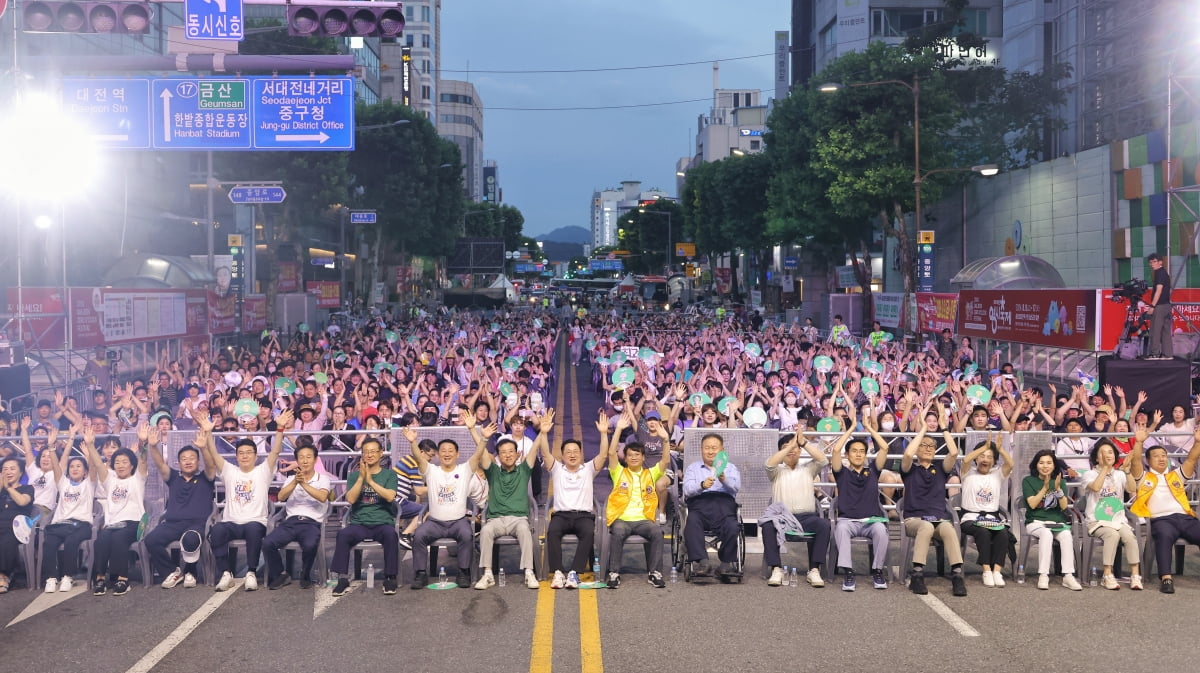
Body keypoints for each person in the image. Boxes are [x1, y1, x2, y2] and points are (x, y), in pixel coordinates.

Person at [200, 409, 290, 592]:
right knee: (217, 530)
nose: (245, 456)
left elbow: (276, 451)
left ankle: (251, 572)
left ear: (256, 456)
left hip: (254, 521)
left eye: (249, 452)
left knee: (254, 530)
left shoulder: (263, 471)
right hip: (231, 522)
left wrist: (279, 428)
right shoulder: (229, 471)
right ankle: (226, 573)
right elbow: (214, 453)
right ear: (236, 456)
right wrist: (209, 432)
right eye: (241, 453)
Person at [406, 413, 492, 590]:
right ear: (437, 454)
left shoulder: (465, 469)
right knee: (419, 535)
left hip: (458, 521)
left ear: (457, 454)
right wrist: (413, 442)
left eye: (450, 451)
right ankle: (420, 573)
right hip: (435, 522)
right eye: (443, 451)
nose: (447, 454)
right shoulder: (431, 470)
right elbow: (418, 457)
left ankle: (463, 572)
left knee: (467, 535)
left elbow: (477, 455)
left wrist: (483, 437)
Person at [474, 410, 552, 591]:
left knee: (525, 530)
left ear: (517, 454)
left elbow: (533, 450)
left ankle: (528, 572)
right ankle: (487, 574)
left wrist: (543, 432)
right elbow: (482, 454)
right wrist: (477, 433)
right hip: (496, 519)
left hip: (518, 519)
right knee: (485, 531)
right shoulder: (492, 472)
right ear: (498, 456)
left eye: (511, 452)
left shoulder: (524, 470)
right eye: (503, 452)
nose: (507, 455)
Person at [143, 421, 217, 590]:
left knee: (190, 538)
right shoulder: (174, 477)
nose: (188, 461)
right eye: (184, 459)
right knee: (151, 539)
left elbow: (211, 465)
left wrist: (204, 448)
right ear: (178, 463)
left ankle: (191, 571)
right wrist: (152, 446)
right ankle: (172, 572)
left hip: (196, 525)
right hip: (172, 524)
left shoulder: (206, 478)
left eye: (192, 458)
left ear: (198, 462)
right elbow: (161, 465)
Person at [1128, 419, 1200, 593]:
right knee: (1164, 537)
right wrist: (1138, 442)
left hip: (1185, 517)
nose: (1161, 459)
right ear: (1148, 460)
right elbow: (1135, 461)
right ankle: (1166, 578)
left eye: (1164, 456)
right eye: (1156, 456)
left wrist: (1197, 442)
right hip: (1162, 519)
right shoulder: (1143, 477)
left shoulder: (1176, 475)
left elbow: (1191, 459)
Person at [900, 414, 967, 596]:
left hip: (937, 519)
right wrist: (922, 430)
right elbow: (907, 454)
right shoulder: (909, 469)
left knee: (948, 528)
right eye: (924, 445)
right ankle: (917, 575)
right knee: (926, 526)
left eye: (931, 446)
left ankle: (957, 575)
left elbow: (953, 453)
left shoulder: (940, 469)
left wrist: (944, 428)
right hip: (914, 519)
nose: (928, 449)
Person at [604, 412, 670, 589]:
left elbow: (665, 461)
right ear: (625, 458)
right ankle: (614, 572)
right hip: (622, 519)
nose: (634, 457)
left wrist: (665, 440)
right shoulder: (618, 472)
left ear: (643, 458)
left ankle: (655, 573)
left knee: (657, 532)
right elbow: (611, 453)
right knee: (617, 533)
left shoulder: (650, 473)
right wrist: (618, 429)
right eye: (630, 455)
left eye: (637, 455)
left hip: (643, 520)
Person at [543, 417, 609, 589]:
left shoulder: (588, 469)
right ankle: (557, 572)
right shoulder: (557, 469)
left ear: (581, 454)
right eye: (568, 452)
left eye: (575, 451)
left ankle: (574, 573)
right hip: (561, 515)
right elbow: (545, 453)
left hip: (583, 516)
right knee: (552, 531)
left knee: (588, 532)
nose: (572, 455)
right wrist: (543, 433)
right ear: (563, 455)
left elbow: (603, 455)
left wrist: (603, 434)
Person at [760, 430, 832, 588]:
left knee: (824, 525)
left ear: (801, 451)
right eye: (786, 447)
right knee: (767, 526)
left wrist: (804, 442)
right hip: (782, 518)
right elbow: (769, 464)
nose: (792, 450)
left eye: (795, 447)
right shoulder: (776, 472)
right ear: (780, 451)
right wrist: (791, 445)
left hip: (807, 517)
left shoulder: (808, 469)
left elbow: (823, 460)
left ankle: (814, 570)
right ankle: (776, 569)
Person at [82, 425, 148, 596]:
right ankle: (100, 578)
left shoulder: (137, 479)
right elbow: (97, 463)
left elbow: (143, 460)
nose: (120, 465)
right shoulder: (110, 480)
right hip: (112, 524)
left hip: (132, 523)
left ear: (132, 466)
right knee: (101, 539)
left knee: (119, 538)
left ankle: (122, 578)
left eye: (125, 462)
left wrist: (144, 442)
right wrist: (90, 445)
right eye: (117, 462)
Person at [329, 437, 398, 596]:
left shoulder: (389, 475)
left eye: (373, 451)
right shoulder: (354, 476)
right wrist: (361, 478)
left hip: (382, 522)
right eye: (366, 452)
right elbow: (351, 499)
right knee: (343, 534)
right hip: (359, 523)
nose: (370, 455)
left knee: (391, 535)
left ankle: (390, 577)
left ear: (381, 453)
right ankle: (342, 578)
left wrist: (371, 482)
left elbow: (389, 497)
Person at [831, 416, 892, 590]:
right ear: (847, 455)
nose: (858, 454)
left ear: (865, 455)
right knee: (841, 529)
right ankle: (848, 573)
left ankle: (877, 571)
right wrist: (850, 430)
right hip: (848, 521)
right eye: (854, 451)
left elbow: (885, 447)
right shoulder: (841, 473)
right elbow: (835, 451)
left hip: (871, 521)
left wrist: (868, 427)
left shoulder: (872, 471)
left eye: (861, 451)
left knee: (881, 530)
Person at [263, 440, 332, 590]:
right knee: (268, 543)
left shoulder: (323, 479)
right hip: (291, 522)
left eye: (308, 457)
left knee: (309, 545)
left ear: (315, 459)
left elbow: (322, 497)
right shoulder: (290, 479)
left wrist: (304, 484)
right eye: (301, 457)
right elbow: (281, 497)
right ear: (297, 460)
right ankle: (281, 574)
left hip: (311, 522)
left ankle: (305, 574)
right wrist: (295, 481)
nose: (305, 460)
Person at [1080, 439, 1143, 590]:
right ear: (1096, 457)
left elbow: (1132, 489)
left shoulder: (1120, 474)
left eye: (1110, 452)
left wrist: (1127, 471)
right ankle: (1107, 574)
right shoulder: (1088, 474)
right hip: (1097, 520)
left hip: (1118, 519)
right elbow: (1095, 487)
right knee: (1112, 535)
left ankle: (1135, 574)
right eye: (1103, 452)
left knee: (1129, 537)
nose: (1107, 455)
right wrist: (1105, 469)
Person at [956, 434, 1015, 588]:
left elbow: (1010, 463)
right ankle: (986, 571)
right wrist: (984, 447)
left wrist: (1000, 449)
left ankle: (997, 571)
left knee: (1002, 533)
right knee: (983, 531)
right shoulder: (967, 473)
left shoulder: (997, 475)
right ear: (977, 458)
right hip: (970, 518)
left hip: (992, 518)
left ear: (994, 461)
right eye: (982, 456)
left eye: (989, 457)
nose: (985, 459)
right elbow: (966, 460)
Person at [682, 433, 743, 580]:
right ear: (701, 449)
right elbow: (687, 490)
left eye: (714, 448)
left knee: (733, 526)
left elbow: (735, 488)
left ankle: (726, 563)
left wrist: (724, 479)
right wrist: (701, 485)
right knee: (692, 522)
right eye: (707, 448)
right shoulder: (693, 468)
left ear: (722, 450)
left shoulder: (730, 468)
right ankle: (703, 562)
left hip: (724, 505)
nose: (710, 451)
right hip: (700, 503)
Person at [1021, 449, 1083, 591]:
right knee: (1046, 534)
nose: (1045, 466)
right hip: (1035, 522)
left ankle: (1068, 575)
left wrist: (1058, 491)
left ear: (1054, 465)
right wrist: (1045, 487)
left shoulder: (1059, 482)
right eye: (1041, 463)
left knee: (1067, 535)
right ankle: (1044, 575)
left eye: (1049, 463)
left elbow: (1063, 507)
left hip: (1056, 522)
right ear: (1036, 465)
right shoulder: (1028, 481)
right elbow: (1032, 504)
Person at [39, 447, 94, 593]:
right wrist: (51, 448)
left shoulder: (89, 484)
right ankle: (51, 577)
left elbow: (94, 468)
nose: (74, 469)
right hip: (61, 525)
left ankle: (68, 576)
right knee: (48, 542)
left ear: (85, 471)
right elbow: (56, 466)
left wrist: (90, 453)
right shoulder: (63, 483)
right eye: (71, 466)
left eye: (78, 466)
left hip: (81, 525)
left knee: (71, 541)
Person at [0, 456, 34, 593]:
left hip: (17, 527)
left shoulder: (27, 488)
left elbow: (21, 502)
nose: (8, 472)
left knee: (7, 538)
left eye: (12, 469)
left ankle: (4, 575)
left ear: (21, 472)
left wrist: (8, 488)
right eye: (5, 469)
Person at [1145, 252, 1173, 359]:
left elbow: (1159, 290)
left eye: (1154, 261)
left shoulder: (1160, 273)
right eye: (1150, 262)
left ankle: (1155, 353)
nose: (1152, 264)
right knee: (1166, 331)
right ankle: (1168, 354)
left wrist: (1152, 306)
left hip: (1160, 306)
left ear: (1160, 262)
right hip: (1166, 305)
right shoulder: (1163, 273)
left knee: (1155, 331)